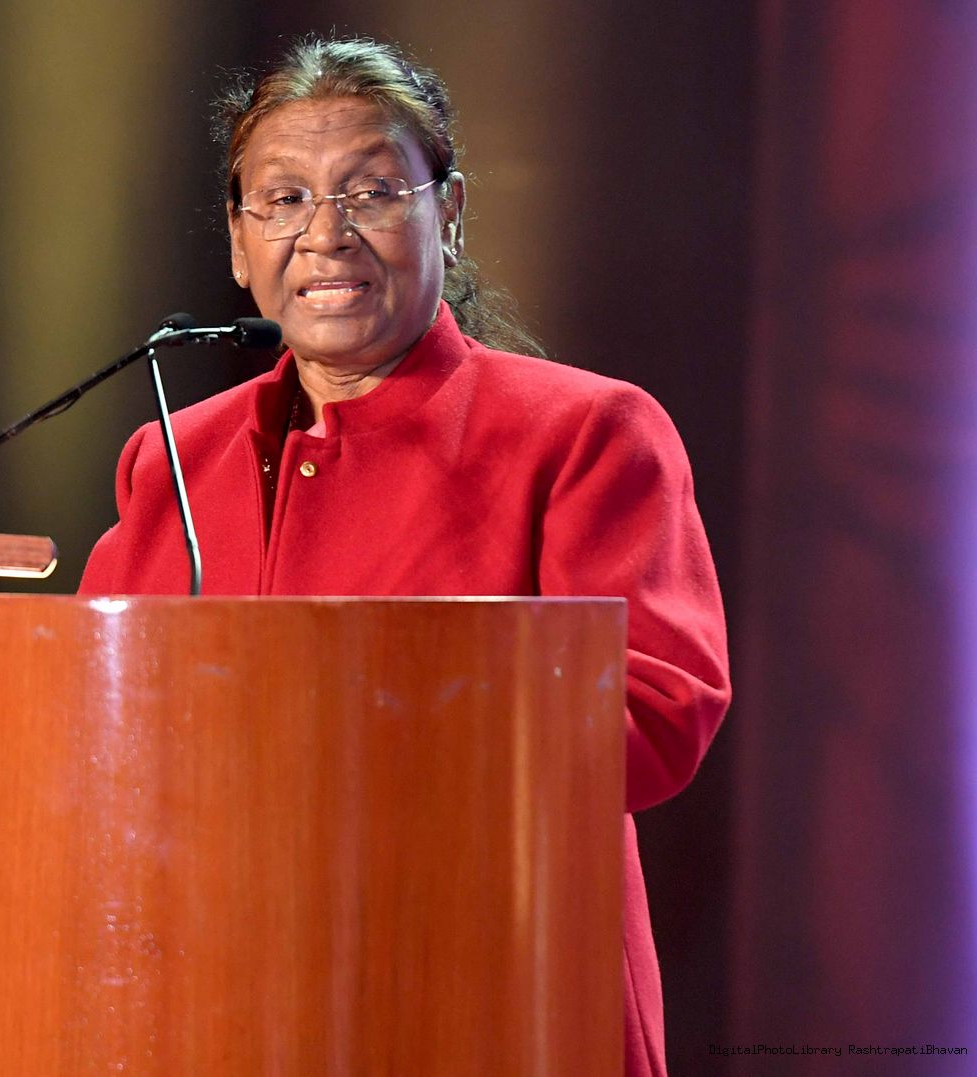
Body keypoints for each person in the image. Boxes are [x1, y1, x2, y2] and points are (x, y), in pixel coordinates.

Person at [79, 34, 729, 1077]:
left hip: (486, 994)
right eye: (283, 199)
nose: (324, 234)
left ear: (449, 213)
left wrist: (354, 727)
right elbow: (86, 724)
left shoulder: (584, 434)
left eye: (372, 192)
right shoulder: (171, 460)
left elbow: (653, 716)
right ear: (238, 243)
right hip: (214, 1001)